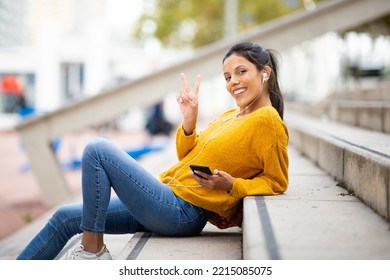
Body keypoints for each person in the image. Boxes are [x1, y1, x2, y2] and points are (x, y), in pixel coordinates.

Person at [17, 41, 289, 260]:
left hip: (182, 211)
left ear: (265, 73)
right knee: (65, 217)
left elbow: (277, 181)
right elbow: (187, 155)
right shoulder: (233, 114)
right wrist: (189, 121)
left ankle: (91, 251)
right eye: (228, 76)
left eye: (242, 72)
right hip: (167, 198)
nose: (233, 82)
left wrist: (232, 185)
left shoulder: (268, 122)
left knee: (97, 150)